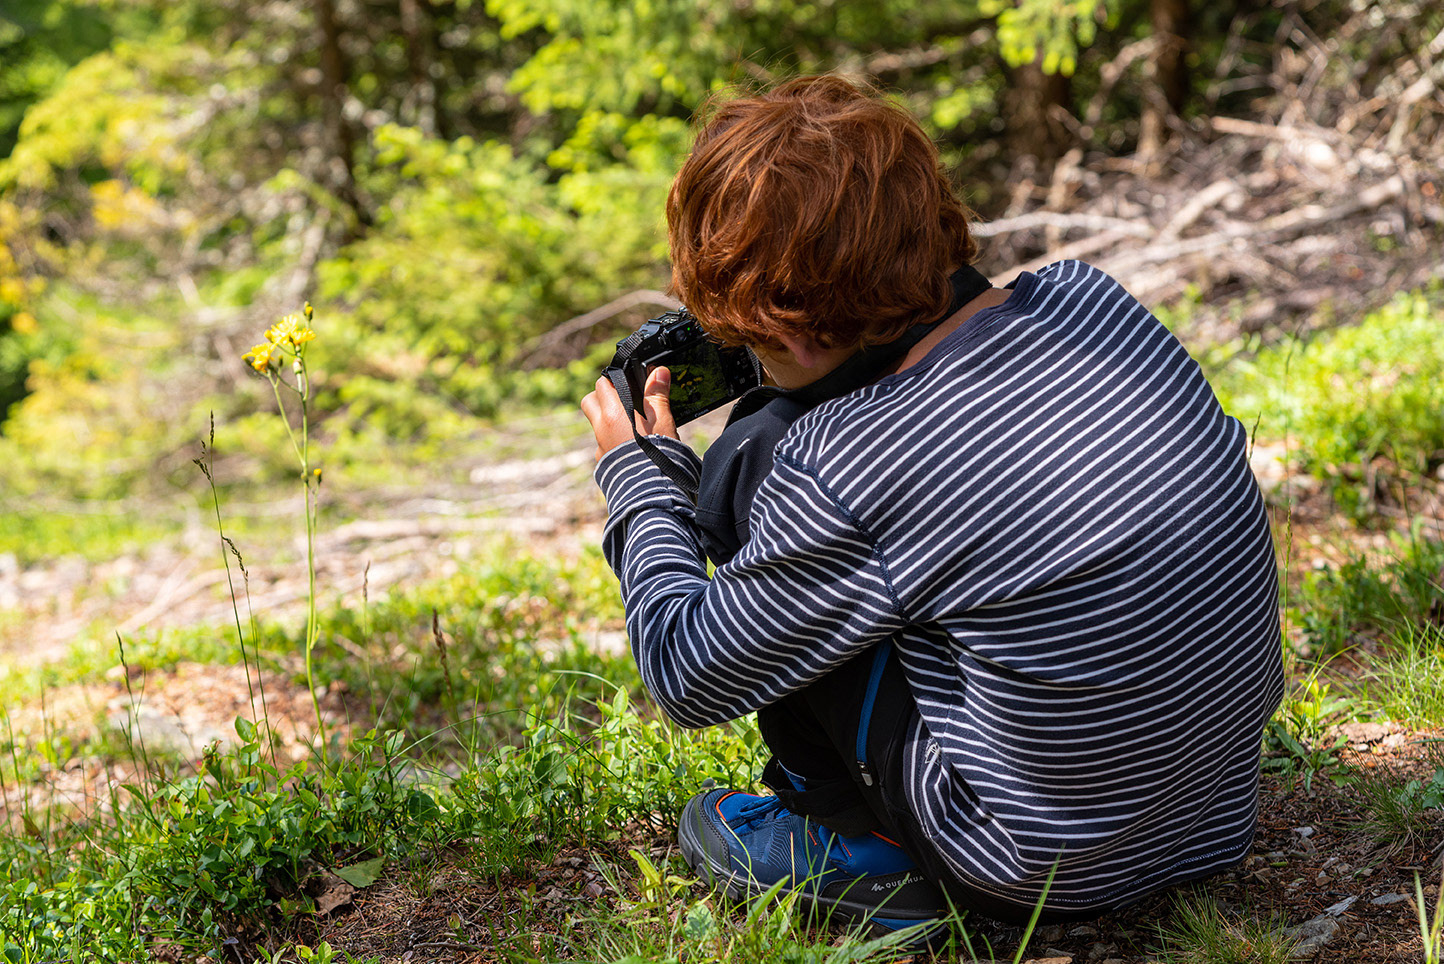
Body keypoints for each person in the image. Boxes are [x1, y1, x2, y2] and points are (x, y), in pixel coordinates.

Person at [580, 74, 1284, 940]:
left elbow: (686, 671)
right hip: (1210, 816)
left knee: (765, 467)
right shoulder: (1093, 302)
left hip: (1036, 869)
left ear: (793, 329)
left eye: (746, 336)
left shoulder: (847, 459)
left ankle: (860, 845)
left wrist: (640, 477)